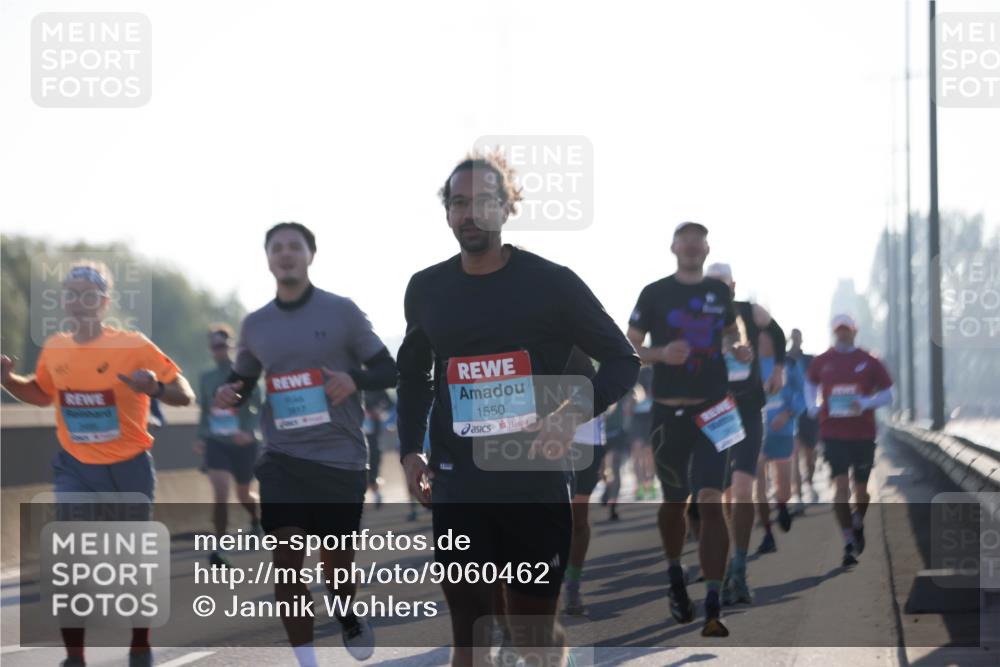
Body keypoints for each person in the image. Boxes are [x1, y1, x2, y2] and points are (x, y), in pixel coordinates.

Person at [396, 151, 639, 667]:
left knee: (534, 640)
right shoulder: (426, 289)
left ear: (507, 208)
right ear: (446, 213)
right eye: (459, 203)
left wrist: (574, 411)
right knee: (470, 640)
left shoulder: (552, 283)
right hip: (459, 484)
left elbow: (623, 358)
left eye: (484, 201)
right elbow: (415, 373)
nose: (470, 214)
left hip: (534, 482)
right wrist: (410, 450)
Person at [214, 222, 397, 665]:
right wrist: (231, 391)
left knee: (337, 570)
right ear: (268, 259)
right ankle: (307, 660)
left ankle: (346, 611)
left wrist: (352, 379)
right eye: (277, 248)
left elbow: (388, 371)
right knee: (287, 558)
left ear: (311, 255)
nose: (286, 254)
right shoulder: (256, 324)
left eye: (295, 246)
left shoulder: (343, 312)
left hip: (340, 457)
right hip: (283, 457)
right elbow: (245, 376)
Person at [1, 260, 195, 667]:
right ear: (64, 301)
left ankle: (139, 644)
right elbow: (42, 393)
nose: (79, 300)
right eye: (71, 293)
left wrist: (155, 388)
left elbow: (184, 393)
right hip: (75, 466)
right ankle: (75, 657)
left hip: (129, 466)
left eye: (88, 294)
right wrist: (8, 382)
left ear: (103, 302)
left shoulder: (133, 345)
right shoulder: (55, 347)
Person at [627, 222, 752, 638]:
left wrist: (738, 347)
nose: (693, 246)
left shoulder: (719, 294)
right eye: (687, 239)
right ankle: (675, 574)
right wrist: (660, 353)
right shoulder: (654, 293)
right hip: (668, 413)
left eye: (700, 240)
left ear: (707, 247)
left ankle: (715, 599)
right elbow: (629, 349)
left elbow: (735, 330)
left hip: (715, 410)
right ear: (674, 247)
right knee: (674, 502)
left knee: (713, 500)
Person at [703, 262, 785, 605]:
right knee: (716, 495)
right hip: (714, 411)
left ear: (733, 286)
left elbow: (777, 333)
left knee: (742, 488)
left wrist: (778, 368)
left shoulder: (750, 312)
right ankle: (721, 569)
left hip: (749, 408)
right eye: (714, 284)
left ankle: (739, 567)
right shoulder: (696, 320)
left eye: (725, 284)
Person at [805, 314, 893, 567]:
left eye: (847, 330)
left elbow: (889, 394)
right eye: (839, 330)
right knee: (840, 486)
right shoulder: (823, 361)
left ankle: (858, 522)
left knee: (861, 490)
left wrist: (865, 402)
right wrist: (813, 406)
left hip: (863, 433)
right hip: (833, 432)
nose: (843, 334)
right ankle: (847, 542)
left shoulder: (869, 361)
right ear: (834, 332)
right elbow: (809, 384)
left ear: (855, 331)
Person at [192, 323, 262, 568]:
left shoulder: (243, 372)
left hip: (242, 443)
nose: (218, 350)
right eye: (214, 346)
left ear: (231, 345)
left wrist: (249, 430)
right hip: (216, 442)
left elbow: (259, 406)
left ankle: (255, 519)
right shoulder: (206, 377)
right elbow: (204, 412)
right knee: (220, 493)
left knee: (243, 494)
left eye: (222, 345)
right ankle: (220, 547)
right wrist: (201, 435)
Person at [754, 330, 806, 554]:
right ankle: (767, 533)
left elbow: (803, 395)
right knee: (759, 485)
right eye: (760, 338)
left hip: (783, 430)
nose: (764, 342)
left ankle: (783, 505)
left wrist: (789, 412)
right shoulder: (750, 364)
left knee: (783, 484)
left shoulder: (788, 364)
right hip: (757, 431)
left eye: (768, 338)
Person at [787, 328, 820, 504]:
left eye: (798, 337)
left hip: (809, 412)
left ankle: (810, 478)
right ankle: (798, 493)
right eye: (793, 337)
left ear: (802, 339)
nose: (796, 340)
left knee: (809, 453)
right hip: (792, 412)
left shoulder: (810, 360)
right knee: (794, 453)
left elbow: (818, 383)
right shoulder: (785, 360)